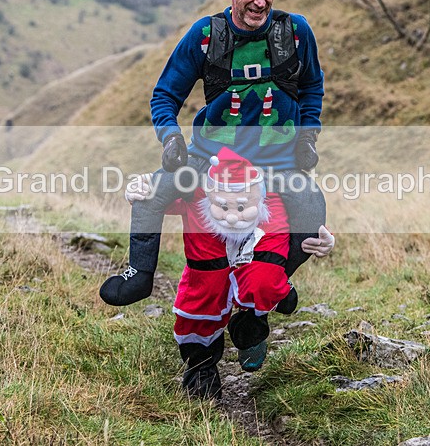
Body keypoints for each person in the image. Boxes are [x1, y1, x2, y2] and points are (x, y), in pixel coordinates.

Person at [100, 0, 326, 307]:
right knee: (150, 194)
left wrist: (308, 134)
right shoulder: (205, 36)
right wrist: (172, 139)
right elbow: (164, 96)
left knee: (312, 213)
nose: (260, 0)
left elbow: (313, 85)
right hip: (210, 159)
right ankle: (139, 276)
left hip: (279, 162)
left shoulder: (296, 32)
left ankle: (275, 284)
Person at [125, 148, 334, 400]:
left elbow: (306, 219)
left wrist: (324, 239)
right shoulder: (198, 191)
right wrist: (138, 191)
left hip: (258, 254)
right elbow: (158, 198)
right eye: (223, 206)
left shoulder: (274, 197)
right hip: (207, 259)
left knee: (265, 280)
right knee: (201, 306)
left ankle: (251, 327)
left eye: (243, 206)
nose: (233, 216)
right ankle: (201, 368)